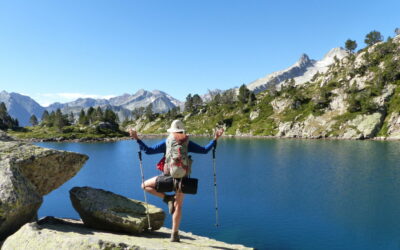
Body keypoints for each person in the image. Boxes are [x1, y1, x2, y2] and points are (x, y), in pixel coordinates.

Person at [130, 120, 223, 242]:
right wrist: (215, 139)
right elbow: (205, 150)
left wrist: (137, 138)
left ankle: (167, 198)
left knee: (144, 185)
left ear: (172, 131)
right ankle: (174, 234)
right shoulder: (187, 142)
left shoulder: (167, 141)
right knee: (178, 206)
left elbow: (148, 151)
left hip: (167, 178)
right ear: (182, 130)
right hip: (183, 179)